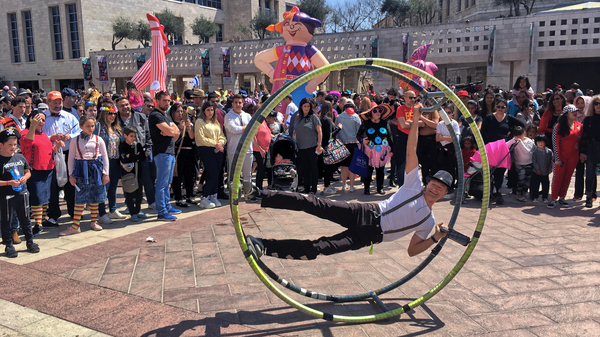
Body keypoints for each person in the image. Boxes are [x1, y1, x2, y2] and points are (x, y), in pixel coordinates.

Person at [245, 105, 451, 261]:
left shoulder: (428, 221)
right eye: (434, 184)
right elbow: (411, 149)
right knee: (311, 203)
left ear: (443, 195)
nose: (435, 189)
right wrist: (415, 119)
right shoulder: (414, 185)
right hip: (365, 212)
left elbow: (412, 251)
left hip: (370, 236)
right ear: (428, 182)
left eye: (441, 189)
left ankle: (263, 246)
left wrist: (436, 238)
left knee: (320, 248)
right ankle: (259, 195)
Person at [60, 115, 109, 236]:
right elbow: (70, 158)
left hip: (95, 169)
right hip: (81, 169)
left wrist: (105, 173)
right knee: (80, 197)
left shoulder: (98, 139)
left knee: (95, 196)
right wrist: (71, 174)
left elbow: (105, 157)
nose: (91, 128)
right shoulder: (75, 140)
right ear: (81, 126)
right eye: (87, 126)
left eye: (92, 126)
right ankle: (75, 225)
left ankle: (93, 221)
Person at [20, 111, 63, 235]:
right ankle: (38, 224)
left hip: (48, 169)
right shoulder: (25, 133)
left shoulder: (44, 134)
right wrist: (32, 126)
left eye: (43, 120)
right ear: (31, 119)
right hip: (35, 170)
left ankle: (42, 220)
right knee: (38, 198)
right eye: (38, 118)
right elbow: (27, 142)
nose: (41, 121)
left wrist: (57, 147)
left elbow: (50, 151)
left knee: (46, 198)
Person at [43, 91, 81, 224]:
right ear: (48, 103)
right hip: (50, 155)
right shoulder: (43, 117)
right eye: (54, 102)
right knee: (53, 185)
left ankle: (73, 211)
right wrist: (50, 138)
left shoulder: (69, 116)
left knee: (71, 182)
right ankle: (54, 214)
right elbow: (37, 135)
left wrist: (69, 136)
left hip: (68, 154)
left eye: (59, 102)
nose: (58, 105)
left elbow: (80, 130)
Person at [0, 128, 39, 258]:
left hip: (22, 193)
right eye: (10, 145)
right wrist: (8, 183)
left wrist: (25, 178)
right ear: (1, 145)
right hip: (6, 195)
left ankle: (30, 242)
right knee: (7, 220)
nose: (13, 147)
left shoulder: (20, 156)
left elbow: (28, 171)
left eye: (15, 144)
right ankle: (9, 245)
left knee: (26, 219)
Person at [480, 99, 525, 204]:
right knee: (489, 171)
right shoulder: (489, 117)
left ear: (506, 108)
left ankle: (496, 191)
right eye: (499, 106)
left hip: (503, 148)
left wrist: (512, 136)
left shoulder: (509, 118)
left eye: (503, 107)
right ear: (496, 107)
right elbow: (482, 133)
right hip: (490, 148)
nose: (500, 109)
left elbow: (522, 124)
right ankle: (488, 191)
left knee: (500, 172)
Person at [148, 91, 181, 221]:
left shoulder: (166, 116)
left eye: (168, 101)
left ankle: (167, 206)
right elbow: (171, 131)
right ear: (157, 100)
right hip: (162, 152)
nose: (167, 103)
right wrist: (170, 131)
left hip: (169, 152)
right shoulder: (155, 115)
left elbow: (177, 132)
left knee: (168, 182)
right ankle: (161, 211)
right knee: (162, 183)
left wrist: (171, 131)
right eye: (164, 100)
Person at [548, 105, 583, 209]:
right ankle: (553, 198)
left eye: (576, 111)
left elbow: (580, 142)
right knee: (558, 177)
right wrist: (557, 158)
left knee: (568, 177)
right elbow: (555, 143)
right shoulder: (558, 127)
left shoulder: (579, 126)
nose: (575, 113)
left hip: (573, 156)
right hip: (561, 156)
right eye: (573, 111)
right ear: (567, 113)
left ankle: (562, 197)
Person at [195, 102, 226, 208]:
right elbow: (201, 138)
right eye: (208, 110)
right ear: (204, 111)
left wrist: (221, 143)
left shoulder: (215, 122)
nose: (210, 112)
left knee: (216, 174)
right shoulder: (200, 121)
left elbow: (222, 136)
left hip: (217, 150)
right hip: (206, 149)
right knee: (212, 173)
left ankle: (213, 195)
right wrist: (216, 144)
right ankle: (204, 197)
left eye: (212, 110)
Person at [358, 104, 393, 195]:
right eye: (375, 111)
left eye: (379, 111)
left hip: (382, 150)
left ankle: (379, 188)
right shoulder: (366, 123)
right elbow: (358, 134)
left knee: (380, 170)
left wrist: (392, 150)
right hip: (369, 150)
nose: (377, 113)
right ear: (371, 113)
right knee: (368, 170)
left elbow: (389, 136)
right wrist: (362, 140)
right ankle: (367, 189)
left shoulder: (384, 123)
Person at [224, 94, 255, 201]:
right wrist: (247, 128)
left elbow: (253, 129)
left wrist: (244, 129)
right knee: (234, 174)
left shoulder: (247, 116)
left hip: (248, 149)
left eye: (240, 102)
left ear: (243, 104)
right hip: (234, 149)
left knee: (248, 174)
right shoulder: (228, 116)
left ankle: (248, 194)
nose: (238, 104)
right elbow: (233, 129)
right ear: (232, 104)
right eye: (236, 102)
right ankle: (234, 195)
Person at [97, 102, 125, 219]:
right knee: (104, 187)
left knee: (113, 187)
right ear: (104, 113)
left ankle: (112, 209)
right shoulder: (99, 127)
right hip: (104, 161)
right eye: (110, 113)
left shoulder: (116, 128)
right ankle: (102, 212)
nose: (112, 116)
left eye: (114, 114)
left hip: (115, 161)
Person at [291, 97, 323, 194]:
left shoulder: (313, 117)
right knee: (304, 169)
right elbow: (295, 130)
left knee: (313, 168)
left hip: (312, 146)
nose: (306, 108)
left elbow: (319, 131)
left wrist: (319, 145)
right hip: (301, 147)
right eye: (304, 106)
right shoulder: (298, 118)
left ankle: (313, 188)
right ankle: (306, 187)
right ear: (301, 107)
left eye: (308, 106)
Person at [170, 103, 196, 207]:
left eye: (181, 111)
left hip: (189, 151)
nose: (180, 113)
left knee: (190, 175)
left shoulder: (188, 123)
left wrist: (188, 127)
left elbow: (192, 137)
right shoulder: (172, 124)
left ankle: (189, 196)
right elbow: (174, 139)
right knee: (177, 176)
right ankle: (178, 198)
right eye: (178, 111)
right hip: (178, 152)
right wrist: (180, 128)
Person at [119, 126, 146, 222]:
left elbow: (143, 157)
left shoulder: (137, 145)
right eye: (131, 136)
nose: (133, 138)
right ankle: (132, 212)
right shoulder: (122, 146)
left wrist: (131, 156)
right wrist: (135, 157)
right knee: (129, 193)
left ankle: (138, 210)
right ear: (125, 135)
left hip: (138, 173)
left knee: (139, 193)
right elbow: (123, 159)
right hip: (128, 174)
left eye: (134, 136)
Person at [579, 95, 600, 208]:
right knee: (590, 173)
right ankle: (589, 197)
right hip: (591, 147)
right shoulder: (588, 119)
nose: (598, 106)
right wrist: (582, 152)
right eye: (596, 103)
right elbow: (584, 137)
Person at [336, 103, 361, 192]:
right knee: (352, 165)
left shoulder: (339, 117)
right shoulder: (356, 117)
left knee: (344, 165)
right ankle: (351, 186)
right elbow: (359, 130)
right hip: (354, 143)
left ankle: (343, 184)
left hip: (343, 143)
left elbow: (337, 130)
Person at [506, 126, 535, 202]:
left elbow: (527, 151)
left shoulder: (529, 141)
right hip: (519, 164)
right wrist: (512, 141)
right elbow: (505, 146)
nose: (518, 137)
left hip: (529, 163)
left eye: (520, 135)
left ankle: (524, 193)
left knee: (527, 180)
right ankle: (519, 194)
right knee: (521, 179)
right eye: (516, 135)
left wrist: (520, 142)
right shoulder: (514, 140)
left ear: (524, 133)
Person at [436, 108, 461, 194]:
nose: (446, 114)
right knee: (442, 168)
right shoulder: (440, 124)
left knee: (451, 169)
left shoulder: (454, 123)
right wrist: (449, 138)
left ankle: (450, 188)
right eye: (444, 113)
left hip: (451, 149)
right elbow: (437, 138)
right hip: (442, 150)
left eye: (449, 112)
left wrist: (442, 137)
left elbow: (455, 138)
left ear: (452, 113)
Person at [253, 107, 271, 192]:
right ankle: (258, 187)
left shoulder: (263, 122)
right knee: (261, 168)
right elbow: (254, 137)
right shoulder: (256, 122)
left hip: (265, 149)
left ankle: (260, 187)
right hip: (258, 149)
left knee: (263, 168)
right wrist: (260, 149)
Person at [530, 134, 553, 203]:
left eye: (542, 141)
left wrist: (550, 169)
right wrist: (537, 169)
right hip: (536, 172)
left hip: (545, 172)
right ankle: (535, 197)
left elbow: (551, 161)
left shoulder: (549, 152)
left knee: (545, 185)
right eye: (538, 142)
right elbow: (534, 161)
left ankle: (545, 197)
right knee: (535, 185)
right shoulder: (535, 152)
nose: (540, 143)